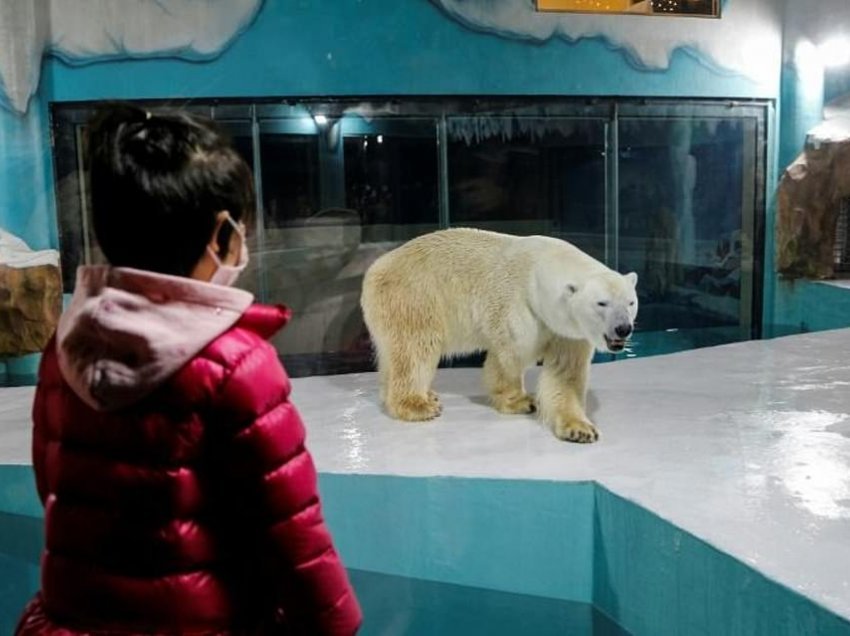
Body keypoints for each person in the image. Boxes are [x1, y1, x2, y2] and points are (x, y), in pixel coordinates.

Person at [15, 102, 362, 635]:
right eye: (244, 227)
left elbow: (57, 490)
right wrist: (335, 624)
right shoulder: (235, 366)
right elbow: (291, 533)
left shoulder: (67, 342)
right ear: (222, 235)